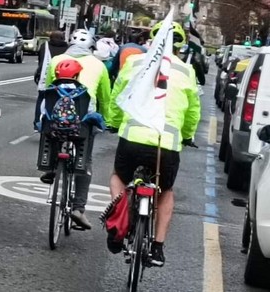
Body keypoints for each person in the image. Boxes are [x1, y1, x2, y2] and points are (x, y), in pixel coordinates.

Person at [107, 21, 201, 267]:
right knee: (166, 191)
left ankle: (120, 219)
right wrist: (188, 135)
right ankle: (158, 247)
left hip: (132, 139)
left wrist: (113, 122)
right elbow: (192, 112)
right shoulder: (186, 71)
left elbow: (119, 97)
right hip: (166, 145)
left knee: (119, 176)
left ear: (152, 40)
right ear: (181, 46)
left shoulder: (136, 63)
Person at [39, 29, 111, 229]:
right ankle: (79, 208)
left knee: (54, 132)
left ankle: (52, 167)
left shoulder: (57, 60)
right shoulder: (99, 64)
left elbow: (47, 90)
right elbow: (105, 97)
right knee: (84, 161)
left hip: (56, 119)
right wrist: (105, 120)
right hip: (84, 121)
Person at [33, 31, 69, 131]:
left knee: (41, 99)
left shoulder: (45, 46)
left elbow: (40, 60)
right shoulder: (67, 49)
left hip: (44, 77)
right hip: (61, 79)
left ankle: (37, 122)